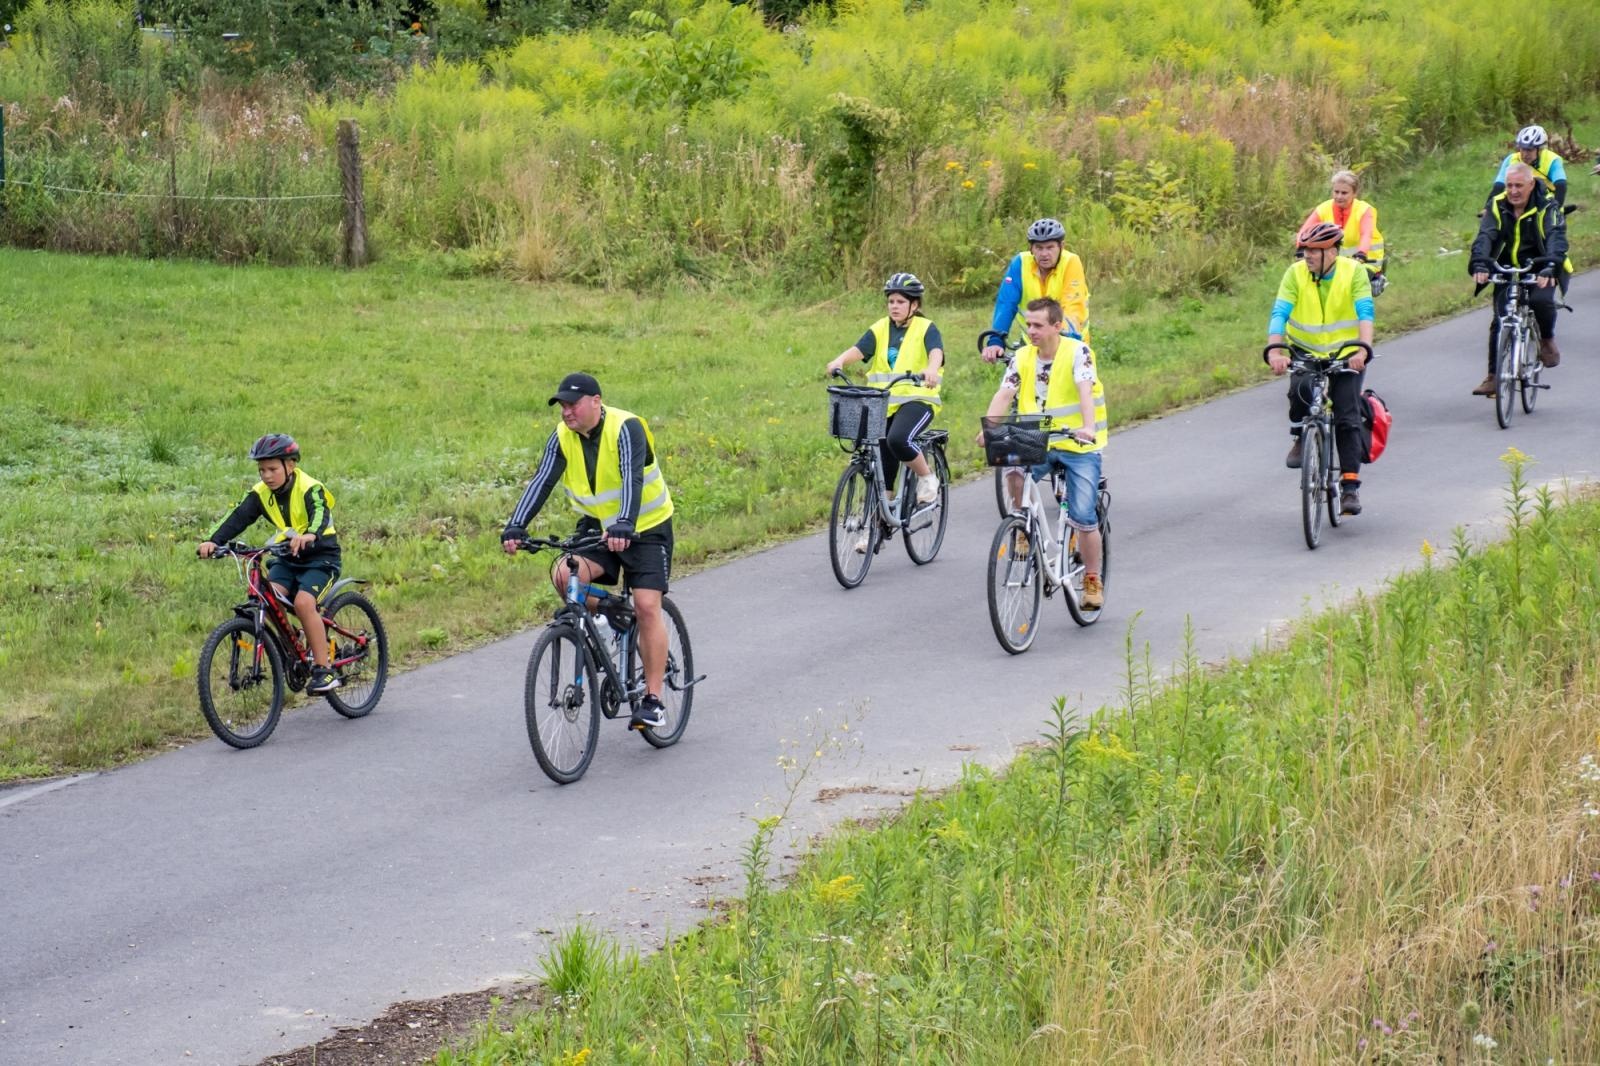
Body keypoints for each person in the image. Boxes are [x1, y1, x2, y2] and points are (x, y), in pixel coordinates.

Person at [500, 373, 675, 732]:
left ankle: (653, 701)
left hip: (645, 527)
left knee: (646, 605)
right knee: (565, 576)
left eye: (572, 404)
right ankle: (613, 612)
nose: (566, 412)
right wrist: (516, 525)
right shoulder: (563, 436)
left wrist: (625, 522)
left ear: (596, 401)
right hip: (598, 527)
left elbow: (632, 478)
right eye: (562, 405)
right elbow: (542, 479)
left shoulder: (626, 427)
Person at [977, 297, 1106, 608]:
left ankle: (1091, 578)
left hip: (1078, 444)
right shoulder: (1021, 357)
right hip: (1037, 439)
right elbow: (1004, 394)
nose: (1031, 331)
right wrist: (990, 428)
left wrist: (1088, 427)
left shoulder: (1079, 353)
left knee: (1084, 514)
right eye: (1028, 325)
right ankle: (1022, 523)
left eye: (1037, 325)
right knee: (1012, 470)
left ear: (1057, 327)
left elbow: (1084, 390)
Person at [198, 434, 344, 694]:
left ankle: (324, 670)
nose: (266, 475)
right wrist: (213, 540)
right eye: (262, 470)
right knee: (268, 598)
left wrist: (311, 534)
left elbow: (321, 513)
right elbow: (237, 516)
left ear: (291, 465)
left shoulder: (310, 487)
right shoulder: (261, 493)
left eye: (273, 469)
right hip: (287, 556)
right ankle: (296, 640)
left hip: (320, 557)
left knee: (303, 603)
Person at [826, 273, 944, 551]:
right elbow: (860, 349)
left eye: (900, 301)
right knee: (883, 463)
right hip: (883, 403)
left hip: (918, 400)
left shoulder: (926, 328)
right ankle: (879, 525)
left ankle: (927, 478)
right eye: (891, 301)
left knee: (898, 439)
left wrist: (931, 369)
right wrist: (840, 360)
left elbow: (936, 352)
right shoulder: (880, 328)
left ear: (914, 304)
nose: (894, 306)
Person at [1266, 221, 1375, 516]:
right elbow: (1279, 314)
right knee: (1300, 390)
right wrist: (1276, 350)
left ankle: (1350, 486)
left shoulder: (1353, 272)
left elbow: (1365, 312)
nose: (1308, 256)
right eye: (1305, 250)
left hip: (1346, 353)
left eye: (1315, 250)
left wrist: (1363, 349)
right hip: (1306, 349)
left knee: (1347, 415)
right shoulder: (1295, 274)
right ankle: (1301, 435)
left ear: (1332, 252)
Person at [1470, 162, 1568, 390]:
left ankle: (1546, 339)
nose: (1513, 191)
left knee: (1541, 301)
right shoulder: (1497, 204)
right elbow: (1485, 236)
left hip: (1541, 264)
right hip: (1506, 266)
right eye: (1509, 185)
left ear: (1531, 184)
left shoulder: (1547, 206)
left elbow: (1556, 237)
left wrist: (1552, 266)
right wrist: (1480, 264)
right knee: (1500, 317)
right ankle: (1494, 376)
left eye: (1519, 186)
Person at [981, 218, 1090, 363]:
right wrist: (996, 340)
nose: (1044, 254)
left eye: (1050, 247)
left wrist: (1065, 339)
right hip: (1033, 346)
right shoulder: (1020, 264)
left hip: (1070, 342)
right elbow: (1006, 303)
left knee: (1075, 385)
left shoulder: (1071, 262)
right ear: (1031, 248)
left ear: (1061, 246)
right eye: (1039, 247)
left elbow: (1073, 305)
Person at [1301, 169, 1386, 293]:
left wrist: (1361, 255)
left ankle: (1376, 279)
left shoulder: (1364, 210)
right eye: (1336, 192)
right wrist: (1300, 249)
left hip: (1367, 261)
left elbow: (1366, 234)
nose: (1339, 196)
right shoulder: (1324, 208)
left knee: (1347, 286)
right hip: (1336, 263)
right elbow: (1304, 232)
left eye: (1344, 193)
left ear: (1354, 193)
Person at [1489, 125, 1568, 206]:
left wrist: (1557, 208)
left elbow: (1561, 184)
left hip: (1545, 202)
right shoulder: (1511, 159)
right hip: (1516, 200)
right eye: (1523, 149)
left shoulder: (1552, 160)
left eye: (1529, 150)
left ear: (1539, 150)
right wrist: (1487, 208)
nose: (1525, 154)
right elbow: (1499, 186)